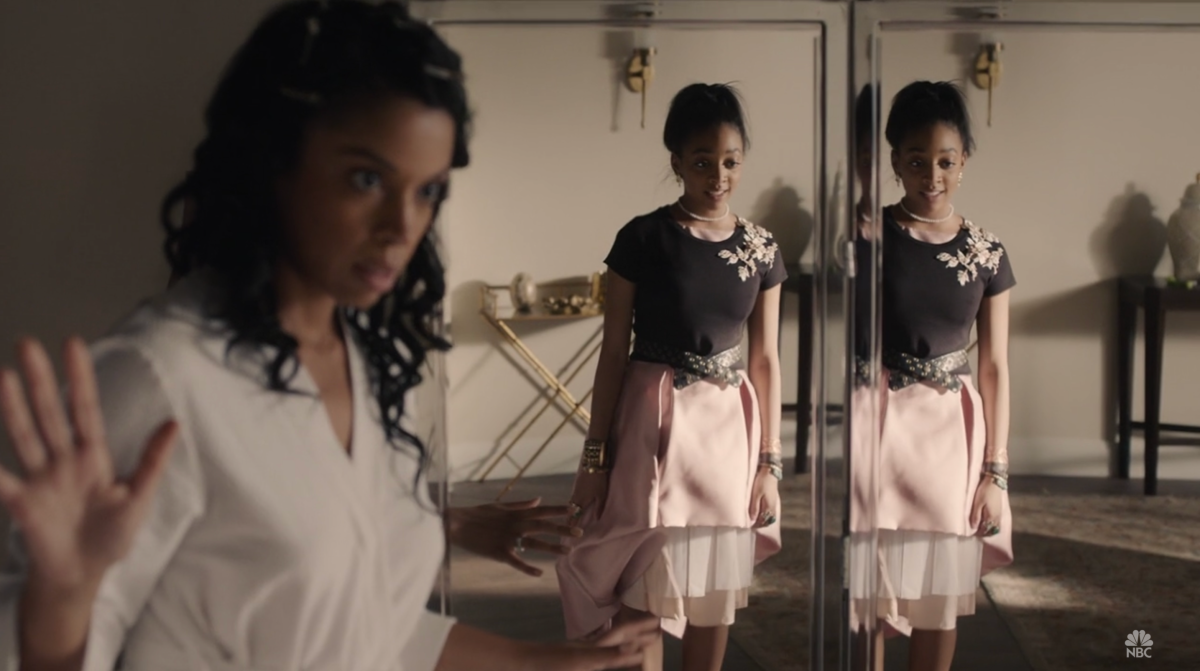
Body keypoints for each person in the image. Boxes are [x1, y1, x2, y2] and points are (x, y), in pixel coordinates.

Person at [0, 2, 660, 669]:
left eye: (427, 189)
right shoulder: (162, 377)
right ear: (271, 162)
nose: (403, 226)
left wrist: (556, 660)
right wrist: (62, 598)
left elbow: (367, 629)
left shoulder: (369, 354)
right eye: (366, 179)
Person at [556, 83, 785, 671]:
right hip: (650, 428)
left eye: (730, 162)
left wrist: (769, 464)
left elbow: (765, 361)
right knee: (642, 585)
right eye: (703, 161)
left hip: (728, 433)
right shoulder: (641, 239)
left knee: (713, 590)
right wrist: (593, 460)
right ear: (676, 160)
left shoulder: (761, 250)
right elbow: (612, 354)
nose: (718, 175)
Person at [848, 80, 1015, 671]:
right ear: (894, 160)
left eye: (946, 161)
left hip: (952, 433)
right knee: (872, 589)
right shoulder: (868, 238)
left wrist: (995, 471)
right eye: (917, 161)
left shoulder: (987, 252)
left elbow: (994, 365)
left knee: (938, 596)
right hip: (884, 425)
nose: (932, 175)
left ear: (964, 159)